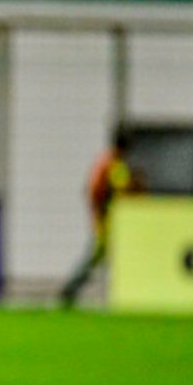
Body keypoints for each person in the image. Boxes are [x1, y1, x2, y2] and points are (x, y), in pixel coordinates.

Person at [59, 126, 142, 308]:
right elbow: (108, 190)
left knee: (102, 256)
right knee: (96, 256)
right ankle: (70, 289)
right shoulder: (112, 163)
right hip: (105, 220)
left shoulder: (106, 161)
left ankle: (79, 290)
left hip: (107, 219)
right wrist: (99, 213)